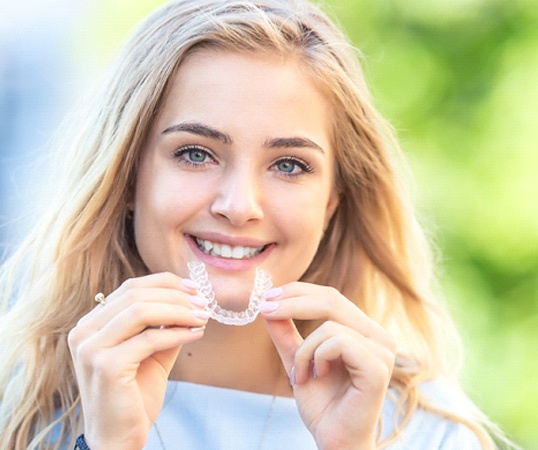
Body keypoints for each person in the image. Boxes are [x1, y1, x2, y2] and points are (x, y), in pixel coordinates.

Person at [0, 0, 518, 449]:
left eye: (289, 164)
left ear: (332, 202)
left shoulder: (427, 433)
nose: (239, 205)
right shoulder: (23, 415)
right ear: (128, 179)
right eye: (196, 153)